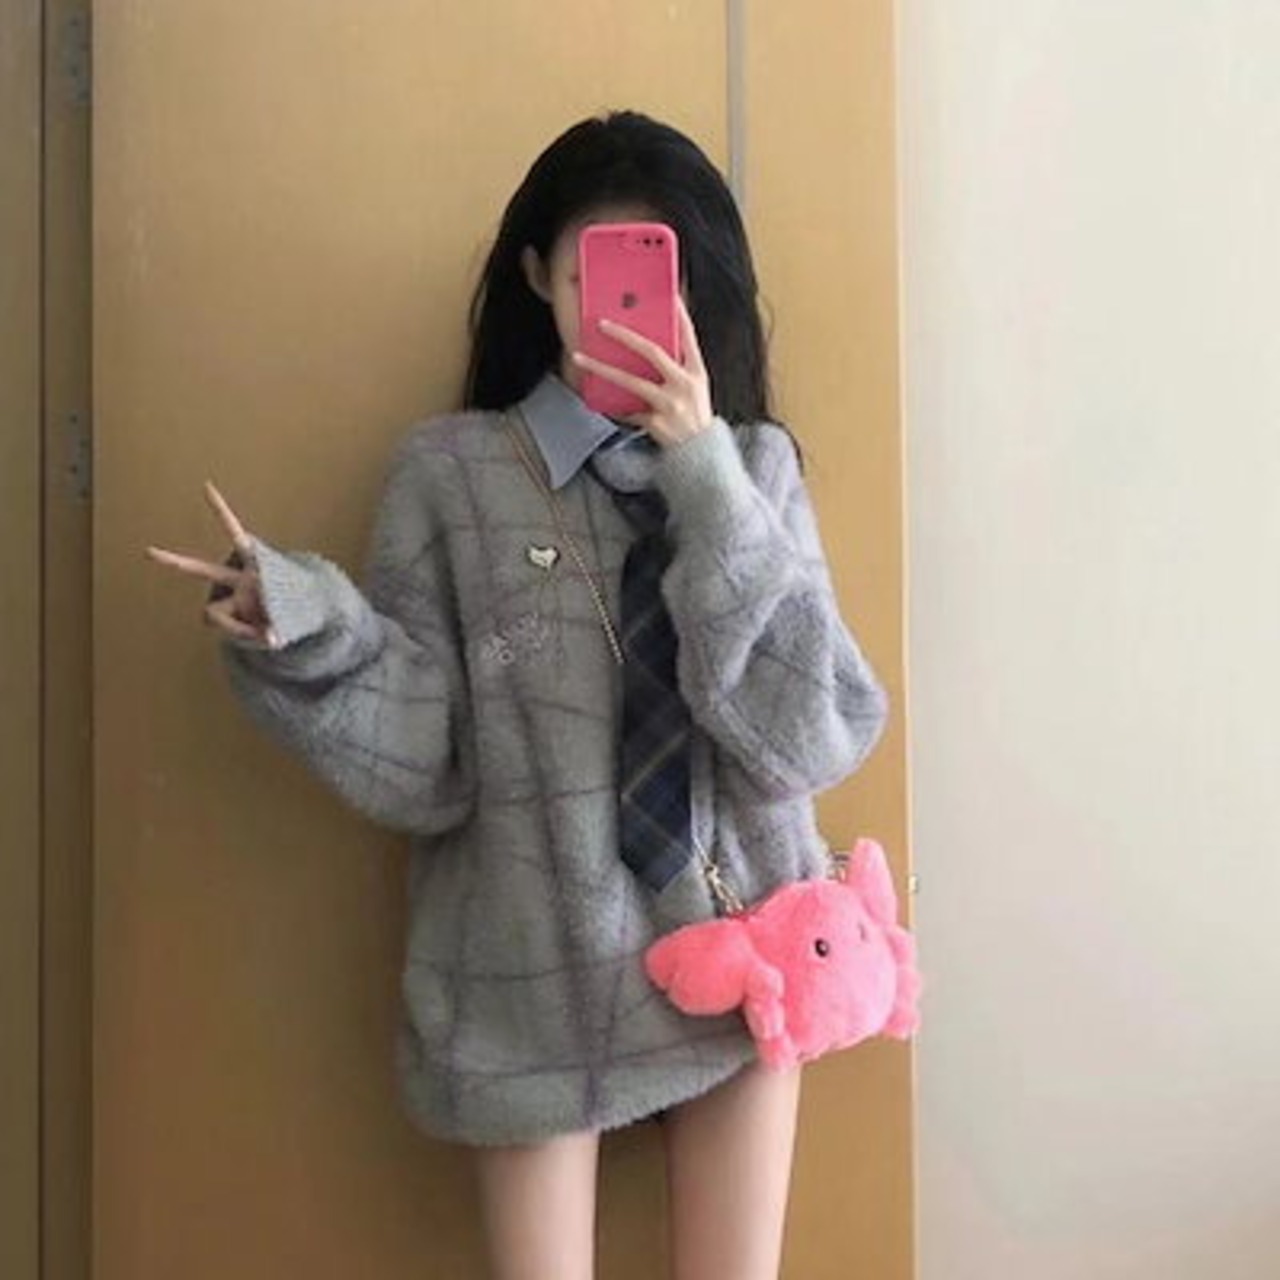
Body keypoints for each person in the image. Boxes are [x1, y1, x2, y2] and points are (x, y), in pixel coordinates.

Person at [148, 109, 889, 1280]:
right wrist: (304, 627)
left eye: (654, 274)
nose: (623, 304)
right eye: (594, 271)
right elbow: (432, 754)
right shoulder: (450, 475)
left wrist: (701, 472)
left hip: (745, 949)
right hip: (531, 966)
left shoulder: (753, 469)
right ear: (538, 272)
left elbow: (810, 731)